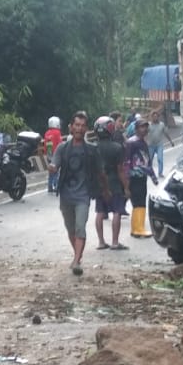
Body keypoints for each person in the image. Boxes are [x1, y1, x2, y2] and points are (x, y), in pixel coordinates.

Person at [49, 112, 101, 276]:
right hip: (66, 195)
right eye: (76, 125)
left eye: (82, 125)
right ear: (71, 127)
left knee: (80, 227)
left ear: (86, 128)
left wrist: (105, 190)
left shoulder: (92, 150)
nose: (79, 128)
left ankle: (77, 260)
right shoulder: (62, 148)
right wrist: (52, 167)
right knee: (71, 229)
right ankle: (77, 254)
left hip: (83, 196)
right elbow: (55, 164)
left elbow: (100, 173)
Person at [93, 117, 129, 250]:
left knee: (100, 212)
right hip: (114, 183)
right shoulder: (117, 147)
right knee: (117, 212)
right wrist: (126, 186)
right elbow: (120, 170)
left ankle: (101, 242)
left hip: (100, 184)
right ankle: (115, 242)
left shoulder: (93, 148)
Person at [124, 118, 157, 239]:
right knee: (138, 202)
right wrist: (126, 179)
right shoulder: (131, 143)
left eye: (146, 127)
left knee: (141, 201)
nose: (145, 129)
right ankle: (138, 228)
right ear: (136, 129)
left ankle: (138, 227)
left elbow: (147, 162)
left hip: (142, 176)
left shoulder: (143, 142)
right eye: (142, 127)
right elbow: (127, 162)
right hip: (134, 176)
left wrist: (152, 176)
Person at [43, 115, 63, 193]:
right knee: (56, 171)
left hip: (49, 154)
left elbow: (45, 144)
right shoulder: (57, 133)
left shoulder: (47, 133)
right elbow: (60, 143)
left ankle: (50, 187)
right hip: (56, 154)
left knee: (50, 171)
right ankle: (56, 185)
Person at [146, 108, 167, 176]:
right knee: (150, 160)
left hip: (159, 145)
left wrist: (171, 141)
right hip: (151, 145)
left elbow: (165, 133)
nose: (155, 118)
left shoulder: (161, 124)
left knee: (160, 159)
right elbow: (145, 134)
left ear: (158, 117)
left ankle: (160, 173)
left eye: (156, 116)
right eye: (153, 116)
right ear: (152, 117)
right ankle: (149, 172)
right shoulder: (149, 125)